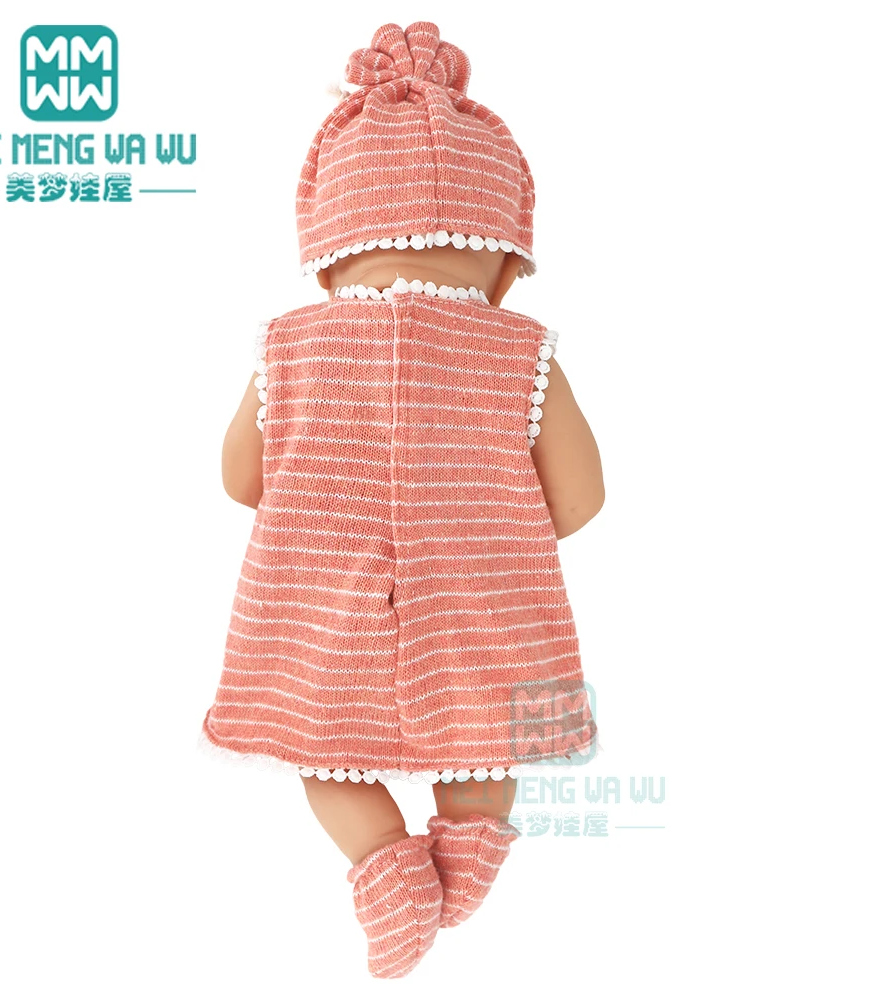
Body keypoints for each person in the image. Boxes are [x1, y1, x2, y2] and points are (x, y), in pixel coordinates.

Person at [200, 21, 605, 979]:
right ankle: (464, 860)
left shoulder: (290, 345)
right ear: (506, 262)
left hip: (322, 605)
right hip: (481, 602)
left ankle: (388, 869)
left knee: (322, 753)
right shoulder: (522, 350)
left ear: (327, 256)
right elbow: (583, 498)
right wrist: (488, 515)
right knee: (486, 748)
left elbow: (239, 477)